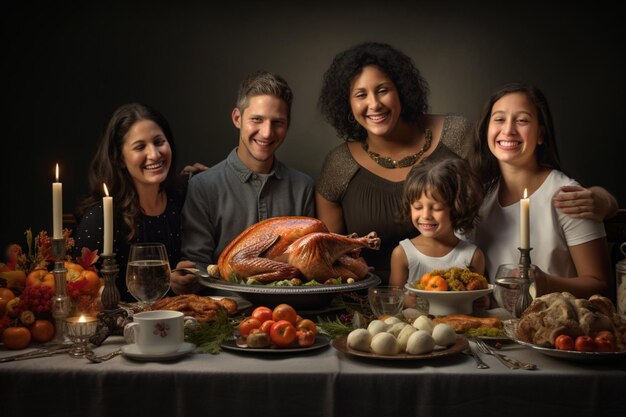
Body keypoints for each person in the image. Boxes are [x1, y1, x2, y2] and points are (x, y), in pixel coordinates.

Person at [316, 42, 618, 285]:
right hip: (372, 299)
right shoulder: (340, 164)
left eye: (383, 89)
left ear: (401, 91)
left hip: (456, 294)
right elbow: (328, 254)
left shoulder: (458, 137)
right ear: (347, 104)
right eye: (360, 95)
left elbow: (510, 164)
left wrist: (607, 201)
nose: (374, 104)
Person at [171, 71, 315, 295]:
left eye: (277, 122)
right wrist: (187, 277)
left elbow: (307, 264)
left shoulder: (302, 187)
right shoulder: (203, 186)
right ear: (237, 118)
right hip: (224, 314)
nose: (266, 133)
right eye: (256, 119)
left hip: (290, 314)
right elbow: (196, 264)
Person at [468, 82, 613, 299]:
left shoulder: (568, 196)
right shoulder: (481, 198)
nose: (508, 130)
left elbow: (601, 285)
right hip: (497, 327)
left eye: (522, 120)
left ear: (540, 134)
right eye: (499, 119)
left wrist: (546, 284)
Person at [74, 103, 187, 301]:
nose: (154, 154)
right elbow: (83, 295)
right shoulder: (99, 220)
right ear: (119, 159)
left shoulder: (184, 198)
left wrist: (187, 278)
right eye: (140, 147)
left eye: (159, 142)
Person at [389, 158, 485, 308]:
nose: (426, 215)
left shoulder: (472, 256)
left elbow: (480, 299)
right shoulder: (402, 253)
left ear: (456, 208)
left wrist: (482, 301)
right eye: (418, 207)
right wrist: (406, 301)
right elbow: (393, 299)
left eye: (437, 208)